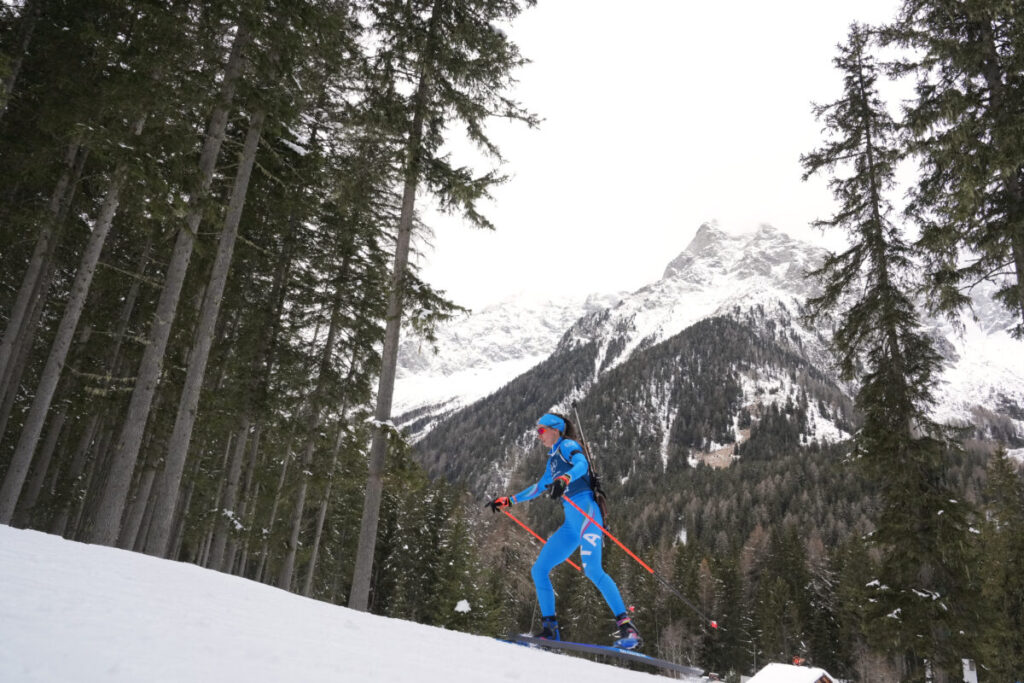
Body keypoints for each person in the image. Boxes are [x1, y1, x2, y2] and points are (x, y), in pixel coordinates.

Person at [487, 412, 642, 649]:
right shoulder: (553, 460)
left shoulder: (568, 445)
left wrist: (565, 479)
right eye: (536, 432)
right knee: (539, 569)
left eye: (541, 430)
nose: (538, 436)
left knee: (593, 570)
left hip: (588, 514)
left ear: (555, 429)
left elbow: (581, 464)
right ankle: (550, 630)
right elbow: (539, 487)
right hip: (571, 525)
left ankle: (628, 628)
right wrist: (509, 500)